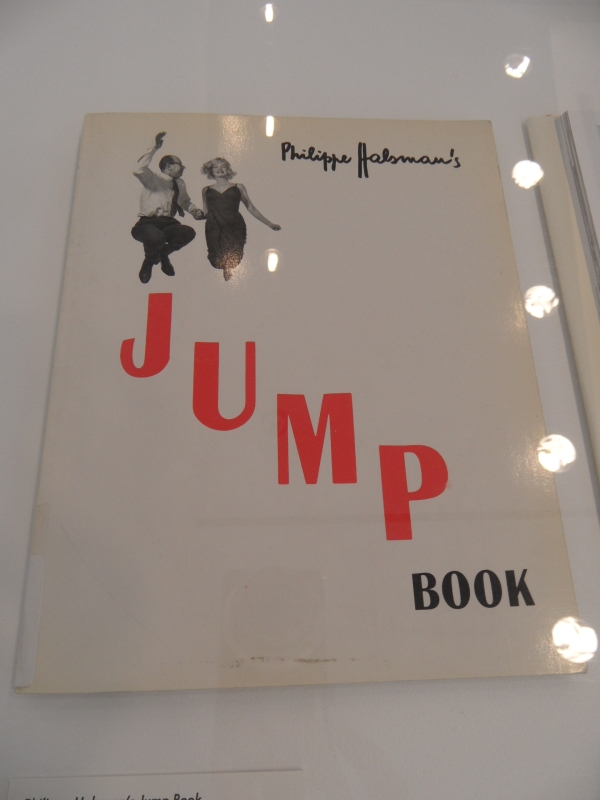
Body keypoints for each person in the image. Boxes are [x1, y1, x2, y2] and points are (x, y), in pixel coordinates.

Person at [132, 132, 205, 283]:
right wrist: (154, 147)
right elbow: (137, 168)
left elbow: (184, 202)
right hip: (148, 223)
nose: (183, 167)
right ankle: (149, 262)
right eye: (180, 165)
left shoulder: (180, 183)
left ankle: (163, 254)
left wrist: (194, 211)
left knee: (188, 232)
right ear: (169, 166)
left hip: (168, 224)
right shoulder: (152, 178)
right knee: (156, 237)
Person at [201, 158, 281, 281]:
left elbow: (251, 208)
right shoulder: (206, 190)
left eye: (223, 166)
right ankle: (225, 269)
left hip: (234, 223)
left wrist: (270, 224)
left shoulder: (238, 187)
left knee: (234, 250)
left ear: (228, 170)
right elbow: (205, 211)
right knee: (216, 252)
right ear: (211, 170)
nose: (220, 169)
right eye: (216, 167)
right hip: (214, 225)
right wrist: (197, 215)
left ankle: (228, 268)